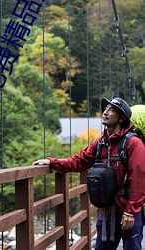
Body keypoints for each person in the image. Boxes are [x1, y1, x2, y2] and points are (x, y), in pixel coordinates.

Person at [32, 97, 145, 250]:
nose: (105, 112)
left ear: (122, 118)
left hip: (128, 211)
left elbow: (139, 178)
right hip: (108, 211)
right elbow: (79, 161)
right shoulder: (100, 143)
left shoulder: (133, 143)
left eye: (111, 110)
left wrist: (131, 212)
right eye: (105, 109)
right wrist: (52, 162)